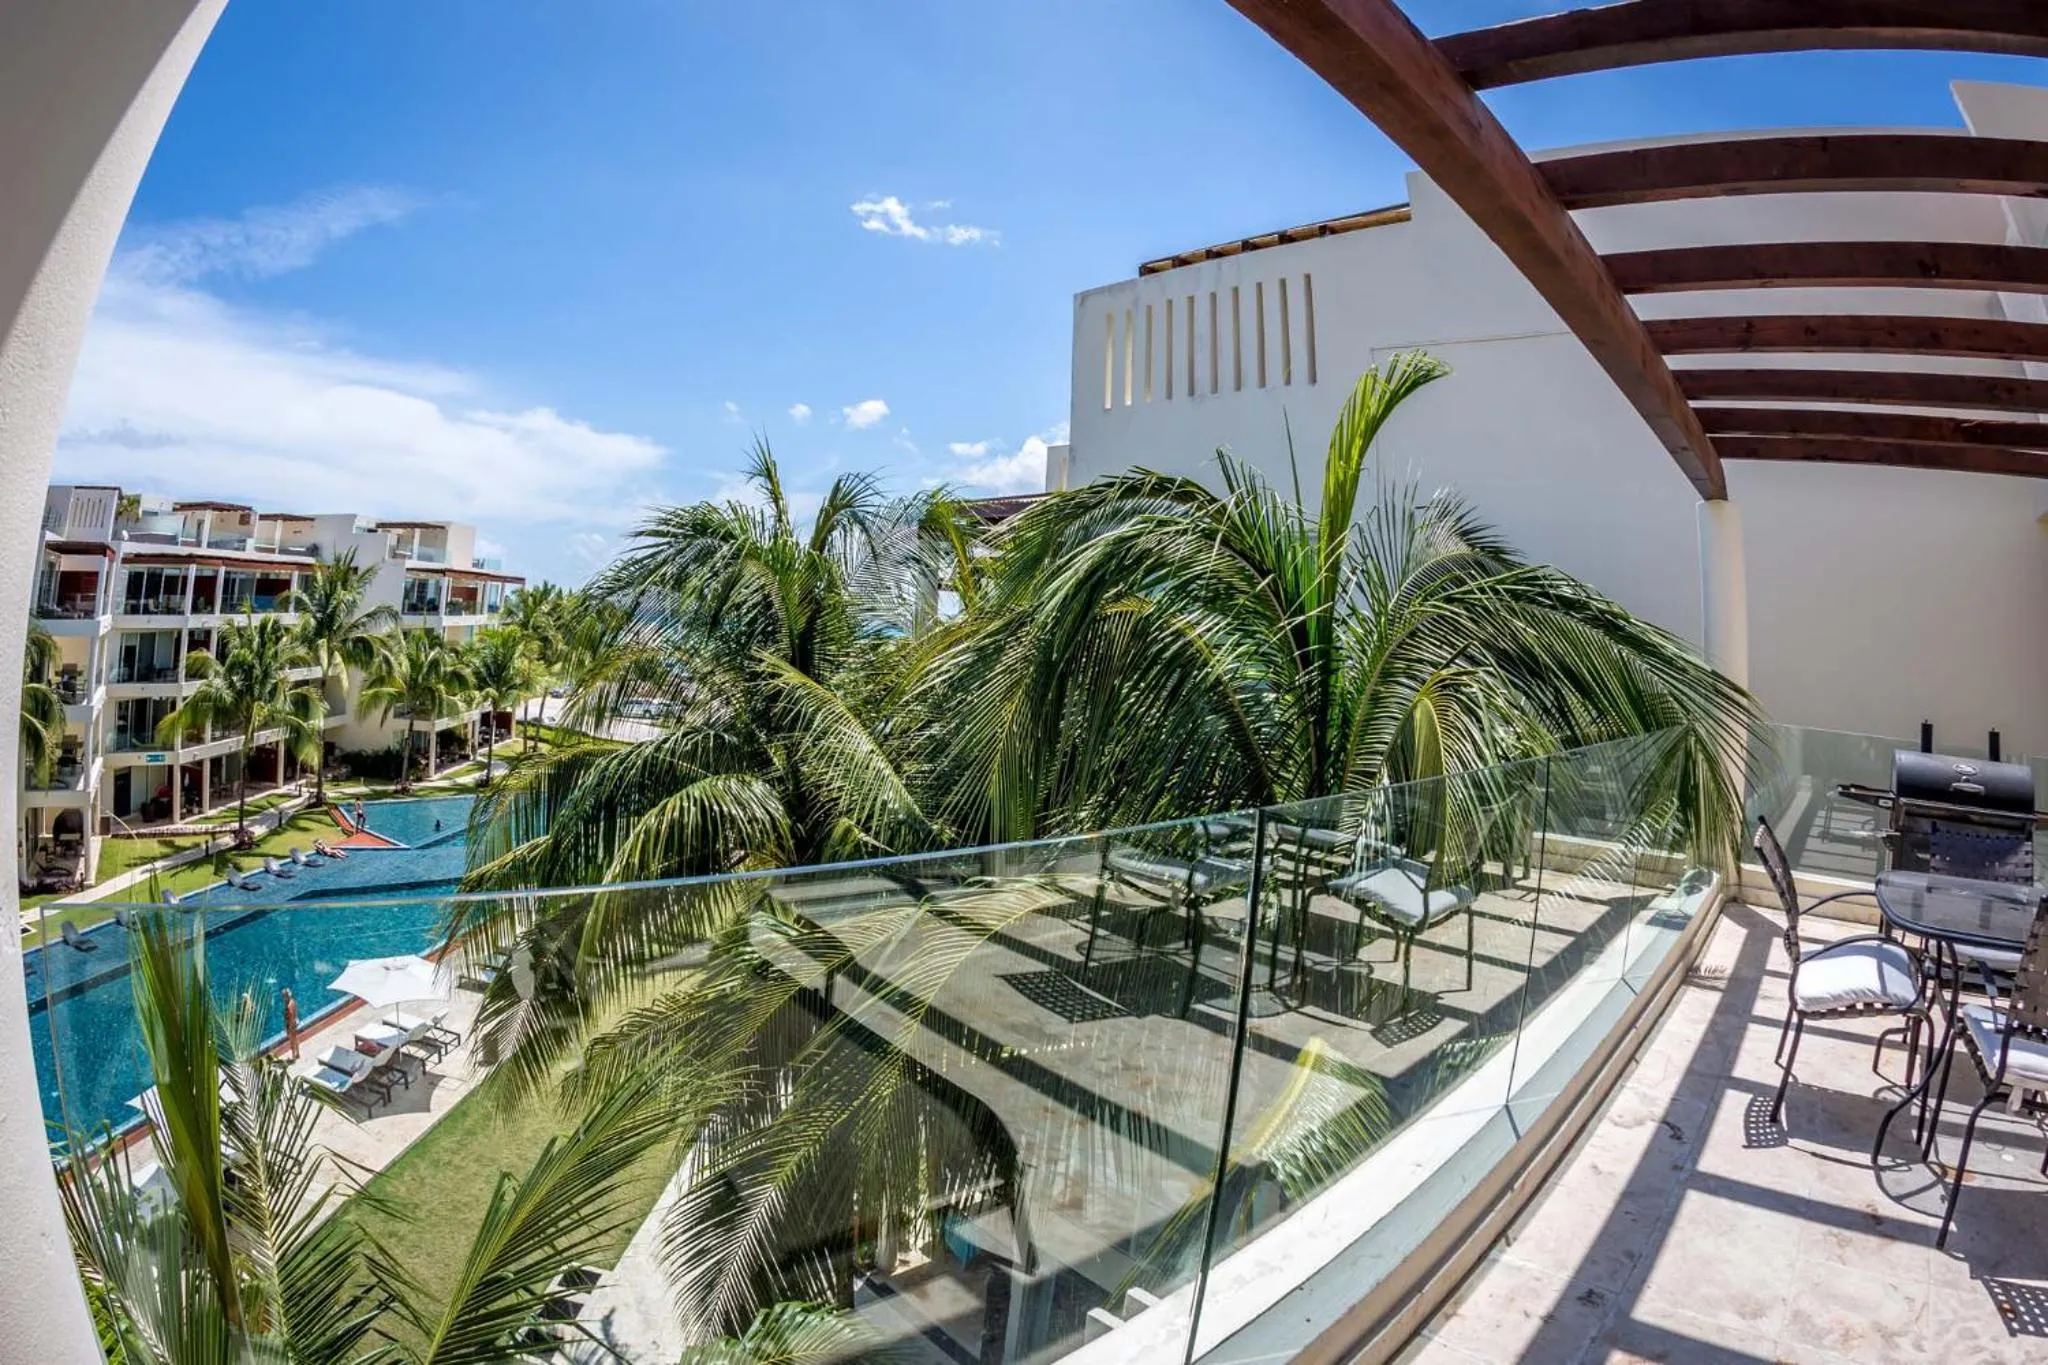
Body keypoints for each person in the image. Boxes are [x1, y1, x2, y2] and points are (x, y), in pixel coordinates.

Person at [281, 987, 301, 1061]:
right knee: (295, 1038)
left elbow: (290, 1018)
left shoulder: (288, 1007)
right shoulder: (293, 1001)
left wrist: (288, 1028)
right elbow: (295, 1013)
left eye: (283, 996)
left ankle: (293, 1056)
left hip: (291, 1025)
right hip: (295, 1023)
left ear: (286, 997)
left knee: (292, 1041)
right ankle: (298, 1053)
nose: (283, 998)